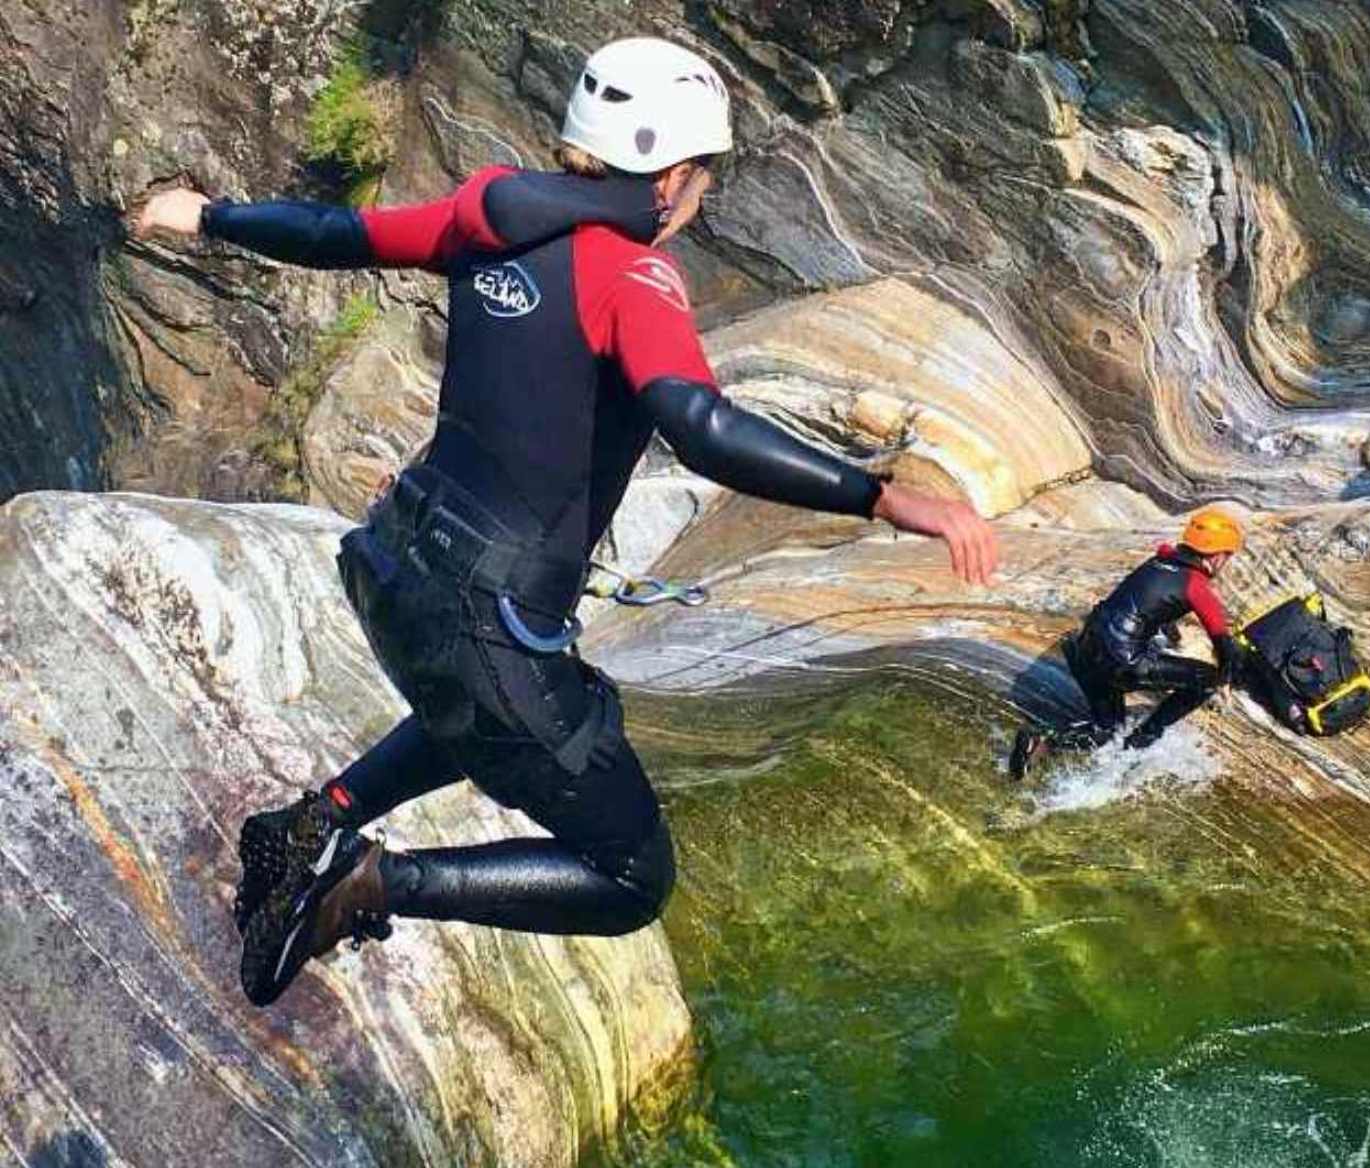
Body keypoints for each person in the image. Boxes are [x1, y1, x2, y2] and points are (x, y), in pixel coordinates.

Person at [136, 36, 999, 1007]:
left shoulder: (484, 216)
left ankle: (316, 819)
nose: (700, 195)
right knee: (630, 874)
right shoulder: (630, 278)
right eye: (704, 177)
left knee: (532, 715)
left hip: (393, 566)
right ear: (671, 177)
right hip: (484, 616)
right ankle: (367, 881)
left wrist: (206, 213)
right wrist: (883, 496)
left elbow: (336, 234)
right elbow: (702, 427)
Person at [1009, 507, 1243, 778]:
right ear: (1216, 557)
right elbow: (1227, 647)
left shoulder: (1157, 561)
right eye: (1227, 556)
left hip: (1085, 650)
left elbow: (1150, 604)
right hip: (1121, 663)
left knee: (1106, 732)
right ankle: (1146, 736)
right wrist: (1225, 678)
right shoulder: (1196, 586)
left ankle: (1041, 743)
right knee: (1207, 680)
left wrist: (1172, 633)